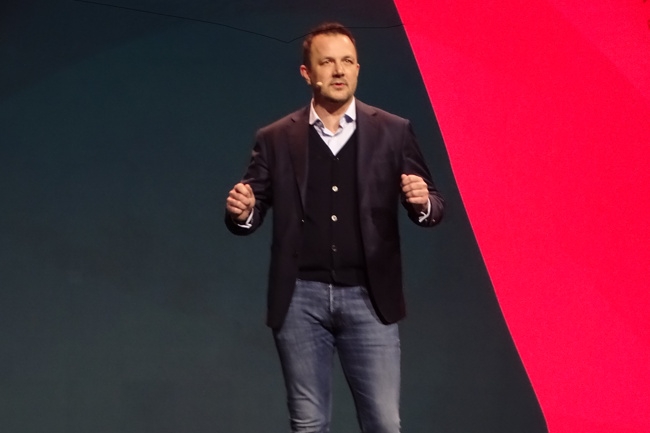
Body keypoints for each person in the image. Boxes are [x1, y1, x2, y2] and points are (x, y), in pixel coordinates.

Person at [225, 22, 444, 433]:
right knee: (308, 425)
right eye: (327, 62)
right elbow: (250, 210)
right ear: (307, 73)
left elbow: (432, 206)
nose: (339, 70)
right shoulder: (275, 138)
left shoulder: (393, 131)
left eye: (347, 62)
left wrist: (422, 203)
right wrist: (243, 212)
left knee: (384, 423)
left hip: (369, 298)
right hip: (299, 301)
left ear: (358, 69)